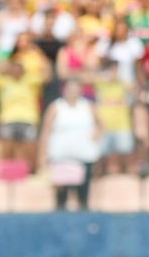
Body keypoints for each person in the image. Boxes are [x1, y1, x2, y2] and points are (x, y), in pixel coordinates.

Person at [40, 78, 102, 211]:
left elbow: (101, 125)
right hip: (61, 156)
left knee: (83, 195)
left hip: (84, 156)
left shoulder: (88, 106)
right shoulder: (56, 107)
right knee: (61, 196)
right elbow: (46, 131)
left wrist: (96, 137)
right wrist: (43, 154)